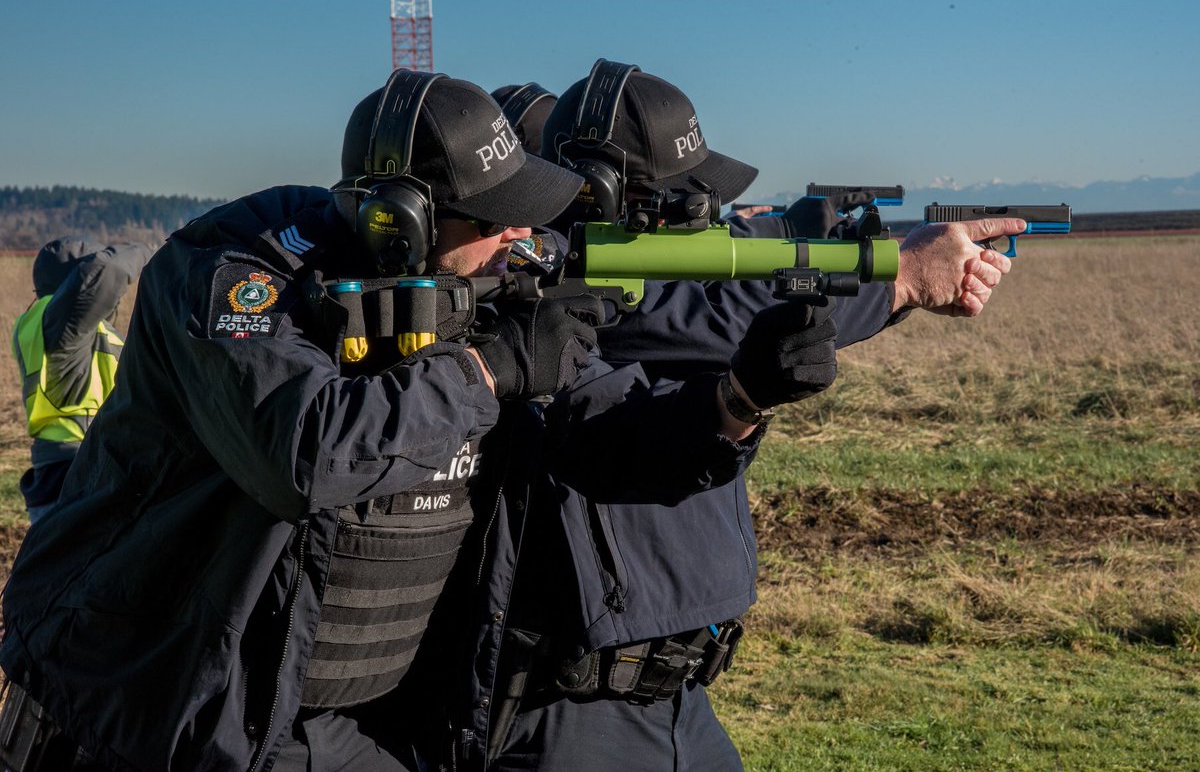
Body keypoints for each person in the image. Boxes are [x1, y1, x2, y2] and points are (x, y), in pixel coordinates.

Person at [0, 68, 831, 772]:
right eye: (496, 218)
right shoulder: (235, 275)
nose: (521, 237)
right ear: (402, 224)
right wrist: (488, 367)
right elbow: (308, 451)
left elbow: (589, 433)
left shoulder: (478, 288)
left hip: (349, 715)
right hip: (163, 703)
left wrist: (736, 401)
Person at [443, 61, 1024, 772]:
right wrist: (896, 276)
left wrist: (867, 274)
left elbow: (732, 313)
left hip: (677, 699)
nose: (707, 221)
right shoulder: (547, 284)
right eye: (688, 204)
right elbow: (712, 314)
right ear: (611, 198)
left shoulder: (629, 289)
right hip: (569, 714)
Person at [10, 238, 156, 523]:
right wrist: (150, 249)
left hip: (73, 466)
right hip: (76, 468)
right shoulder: (61, 323)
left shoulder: (61, 328)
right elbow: (107, 269)